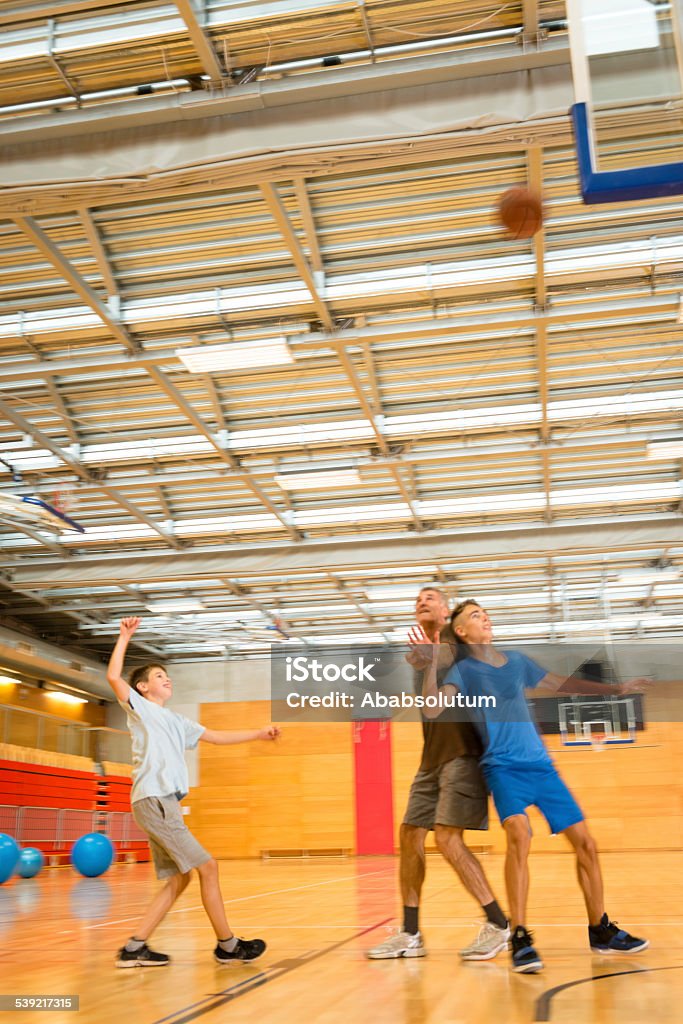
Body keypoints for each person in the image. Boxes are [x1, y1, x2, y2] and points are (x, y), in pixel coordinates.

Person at [417, 599, 650, 973]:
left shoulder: (517, 662)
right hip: (503, 768)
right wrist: (431, 661)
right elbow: (431, 708)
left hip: (542, 768)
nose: (485, 617)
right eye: (475, 615)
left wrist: (615, 687)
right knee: (519, 834)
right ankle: (521, 937)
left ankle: (600, 930)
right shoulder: (463, 671)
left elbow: (561, 684)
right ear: (461, 631)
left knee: (587, 844)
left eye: (484, 612)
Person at [107, 616, 281, 968]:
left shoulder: (176, 720)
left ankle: (134, 947)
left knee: (180, 878)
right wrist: (125, 637)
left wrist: (258, 734)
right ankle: (228, 946)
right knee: (209, 867)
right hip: (154, 799)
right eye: (157, 676)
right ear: (142, 688)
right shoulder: (140, 710)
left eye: (165, 674)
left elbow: (215, 737)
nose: (165, 677)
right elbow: (113, 677)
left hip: (162, 802)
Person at [367, 587, 509, 961]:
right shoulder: (421, 650)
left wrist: (435, 654)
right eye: (417, 598)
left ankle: (498, 923)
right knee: (410, 834)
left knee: (447, 838)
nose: (421, 601)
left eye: (430, 597)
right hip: (431, 759)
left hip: (464, 756)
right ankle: (410, 933)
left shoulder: (457, 637)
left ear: (446, 610)